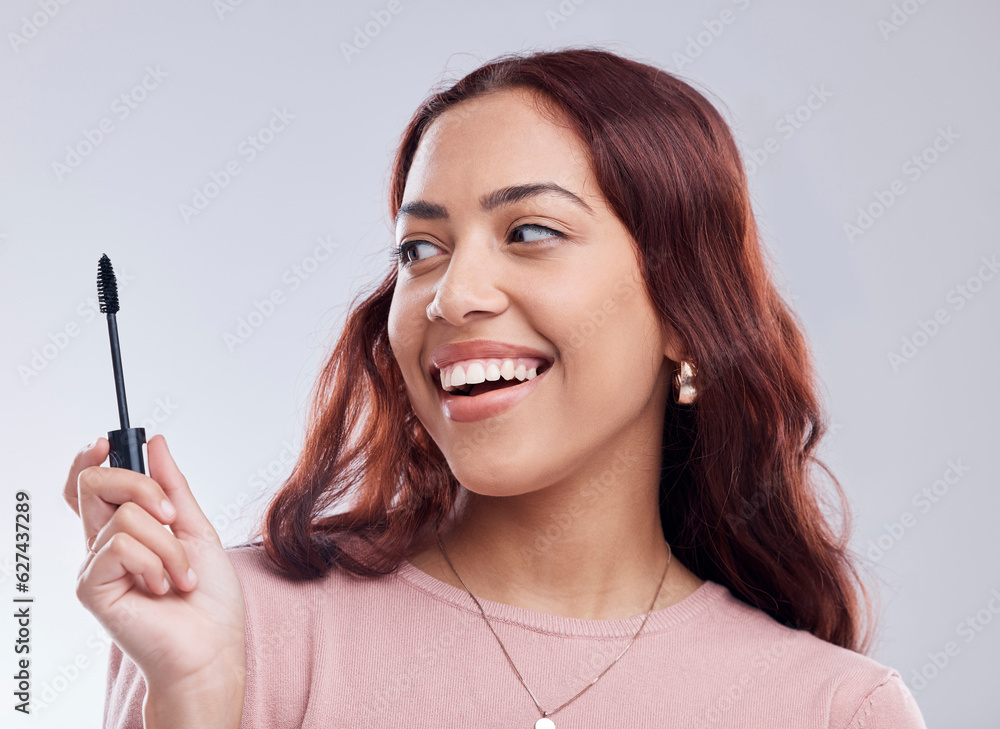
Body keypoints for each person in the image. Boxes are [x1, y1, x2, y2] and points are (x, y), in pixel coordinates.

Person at [66, 46, 928, 728]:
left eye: (530, 231)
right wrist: (199, 700)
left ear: (683, 311)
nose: (450, 294)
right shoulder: (231, 630)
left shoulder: (832, 710)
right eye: (419, 249)